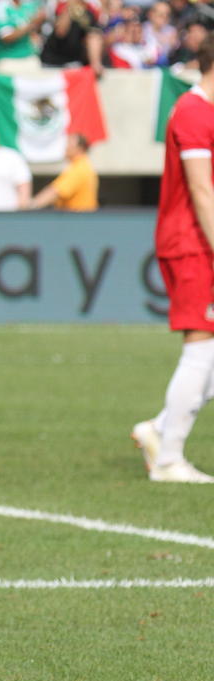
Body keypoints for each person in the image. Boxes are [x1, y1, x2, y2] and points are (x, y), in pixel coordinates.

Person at [131, 33, 214, 484]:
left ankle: (160, 430)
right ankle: (168, 460)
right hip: (193, 242)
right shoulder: (194, 112)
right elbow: (201, 189)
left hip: (199, 240)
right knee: (200, 347)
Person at [28, 133, 98, 211]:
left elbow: (55, 192)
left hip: (77, 216)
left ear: (80, 148)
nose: (65, 147)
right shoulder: (83, 165)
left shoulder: (79, 168)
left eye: (69, 144)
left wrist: (32, 205)